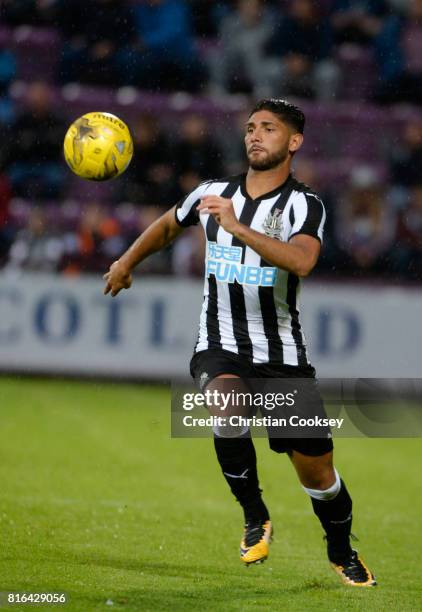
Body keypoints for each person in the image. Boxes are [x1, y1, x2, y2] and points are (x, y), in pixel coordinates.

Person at [103, 98, 376, 587]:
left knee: (320, 477)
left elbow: (303, 262)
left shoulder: (303, 204)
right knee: (226, 409)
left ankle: (341, 550)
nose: (255, 136)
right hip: (220, 342)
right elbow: (169, 224)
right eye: (251, 128)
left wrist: (237, 228)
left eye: (269, 129)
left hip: (284, 359)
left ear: (293, 142)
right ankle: (255, 516)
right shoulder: (212, 193)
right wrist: (127, 262)